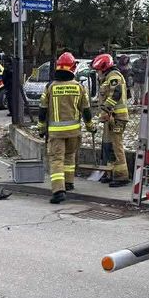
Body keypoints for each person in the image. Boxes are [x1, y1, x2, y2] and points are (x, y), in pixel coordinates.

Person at [39, 52, 95, 204]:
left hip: (56, 134)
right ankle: (69, 183)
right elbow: (86, 110)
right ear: (72, 68)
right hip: (74, 132)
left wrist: (41, 128)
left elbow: (43, 109)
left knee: (57, 160)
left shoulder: (50, 87)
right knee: (70, 156)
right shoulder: (79, 87)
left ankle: (58, 191)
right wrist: (90, 126)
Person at [92, 53, 131, 188]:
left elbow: (116, 93)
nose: (97, 73)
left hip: (117, 117)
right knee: (108, 146)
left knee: (116, 146)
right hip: (111, 117)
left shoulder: (114, 76)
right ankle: (110, 173)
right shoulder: (108, 77)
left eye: (98, 70)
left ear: (103, 67)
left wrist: (106, 109)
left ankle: (121, 177)